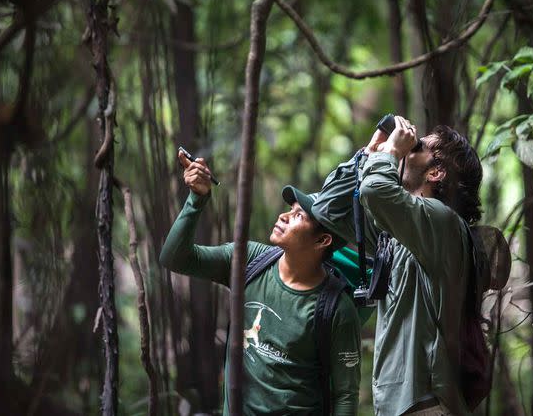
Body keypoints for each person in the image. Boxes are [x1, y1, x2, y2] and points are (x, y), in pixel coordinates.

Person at [159, 151, 361, 415]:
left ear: (322, 241)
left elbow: (345, 395)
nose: (284, 216)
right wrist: (197, 199)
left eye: (299, 215)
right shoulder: (250, 260)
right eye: (290, 209)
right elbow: (175, 258)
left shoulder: (337, 309)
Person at [313, 116, 484, 415]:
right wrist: (369, 152)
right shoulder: (397, 231)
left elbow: (374, 191)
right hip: (400, 404)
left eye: (418, 147)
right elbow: (326, 208)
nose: (406, 149)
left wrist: (390, 154)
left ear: (437, 172)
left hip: (427, 403)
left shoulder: (444, 224)